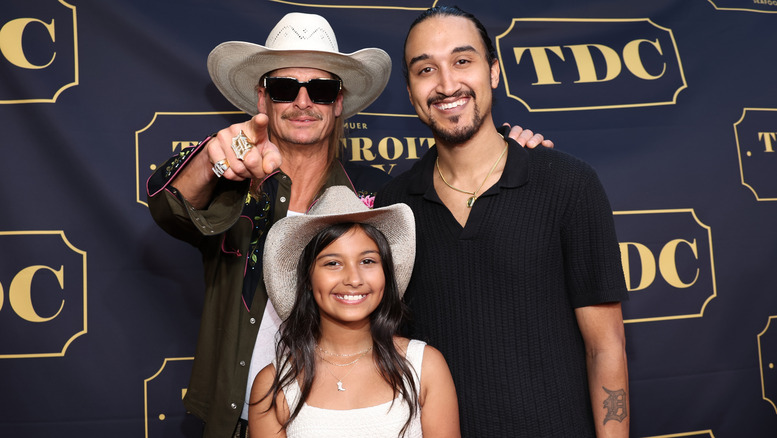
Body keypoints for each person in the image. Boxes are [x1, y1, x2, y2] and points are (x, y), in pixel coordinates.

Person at [147, 11, 550, 438]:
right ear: (263, 99)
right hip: (235, 420)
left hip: (347, 420)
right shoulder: (229, 191)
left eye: (320, 89)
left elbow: (450, 199)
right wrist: (213, 158)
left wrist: (501, 155)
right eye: (285, 88)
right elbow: (166, 202)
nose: (303, 102)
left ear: (338, 102)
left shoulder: (376, 197)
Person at [375, 6, 630, 438]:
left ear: (493, 71)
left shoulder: (569, 184)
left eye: (462, 61)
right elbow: (388, 354)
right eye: (425, 69)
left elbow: (605, 348)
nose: (447, 83)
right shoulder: (393, 206)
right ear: (411, 89)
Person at [248, 185, 459, 437]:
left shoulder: (425, 367)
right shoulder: (272, 386)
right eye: (333, 263)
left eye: (367, 261)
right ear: (307, 278)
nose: (353, 278)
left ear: (386, 273)